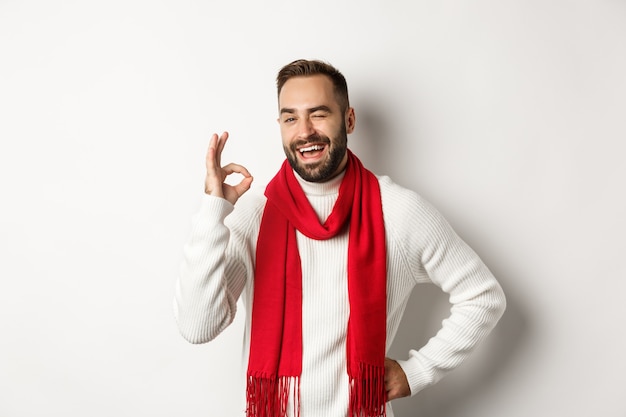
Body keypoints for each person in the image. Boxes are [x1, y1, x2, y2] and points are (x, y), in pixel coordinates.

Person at [174, 59, 506, 417]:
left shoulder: (398, 211)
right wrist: (214, 210)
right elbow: (197, 326)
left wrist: (416, 372)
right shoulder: (255, 215)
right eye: (290, 118)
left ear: (348, 119)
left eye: (318, 114)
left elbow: (483, 295)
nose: (304, 131)